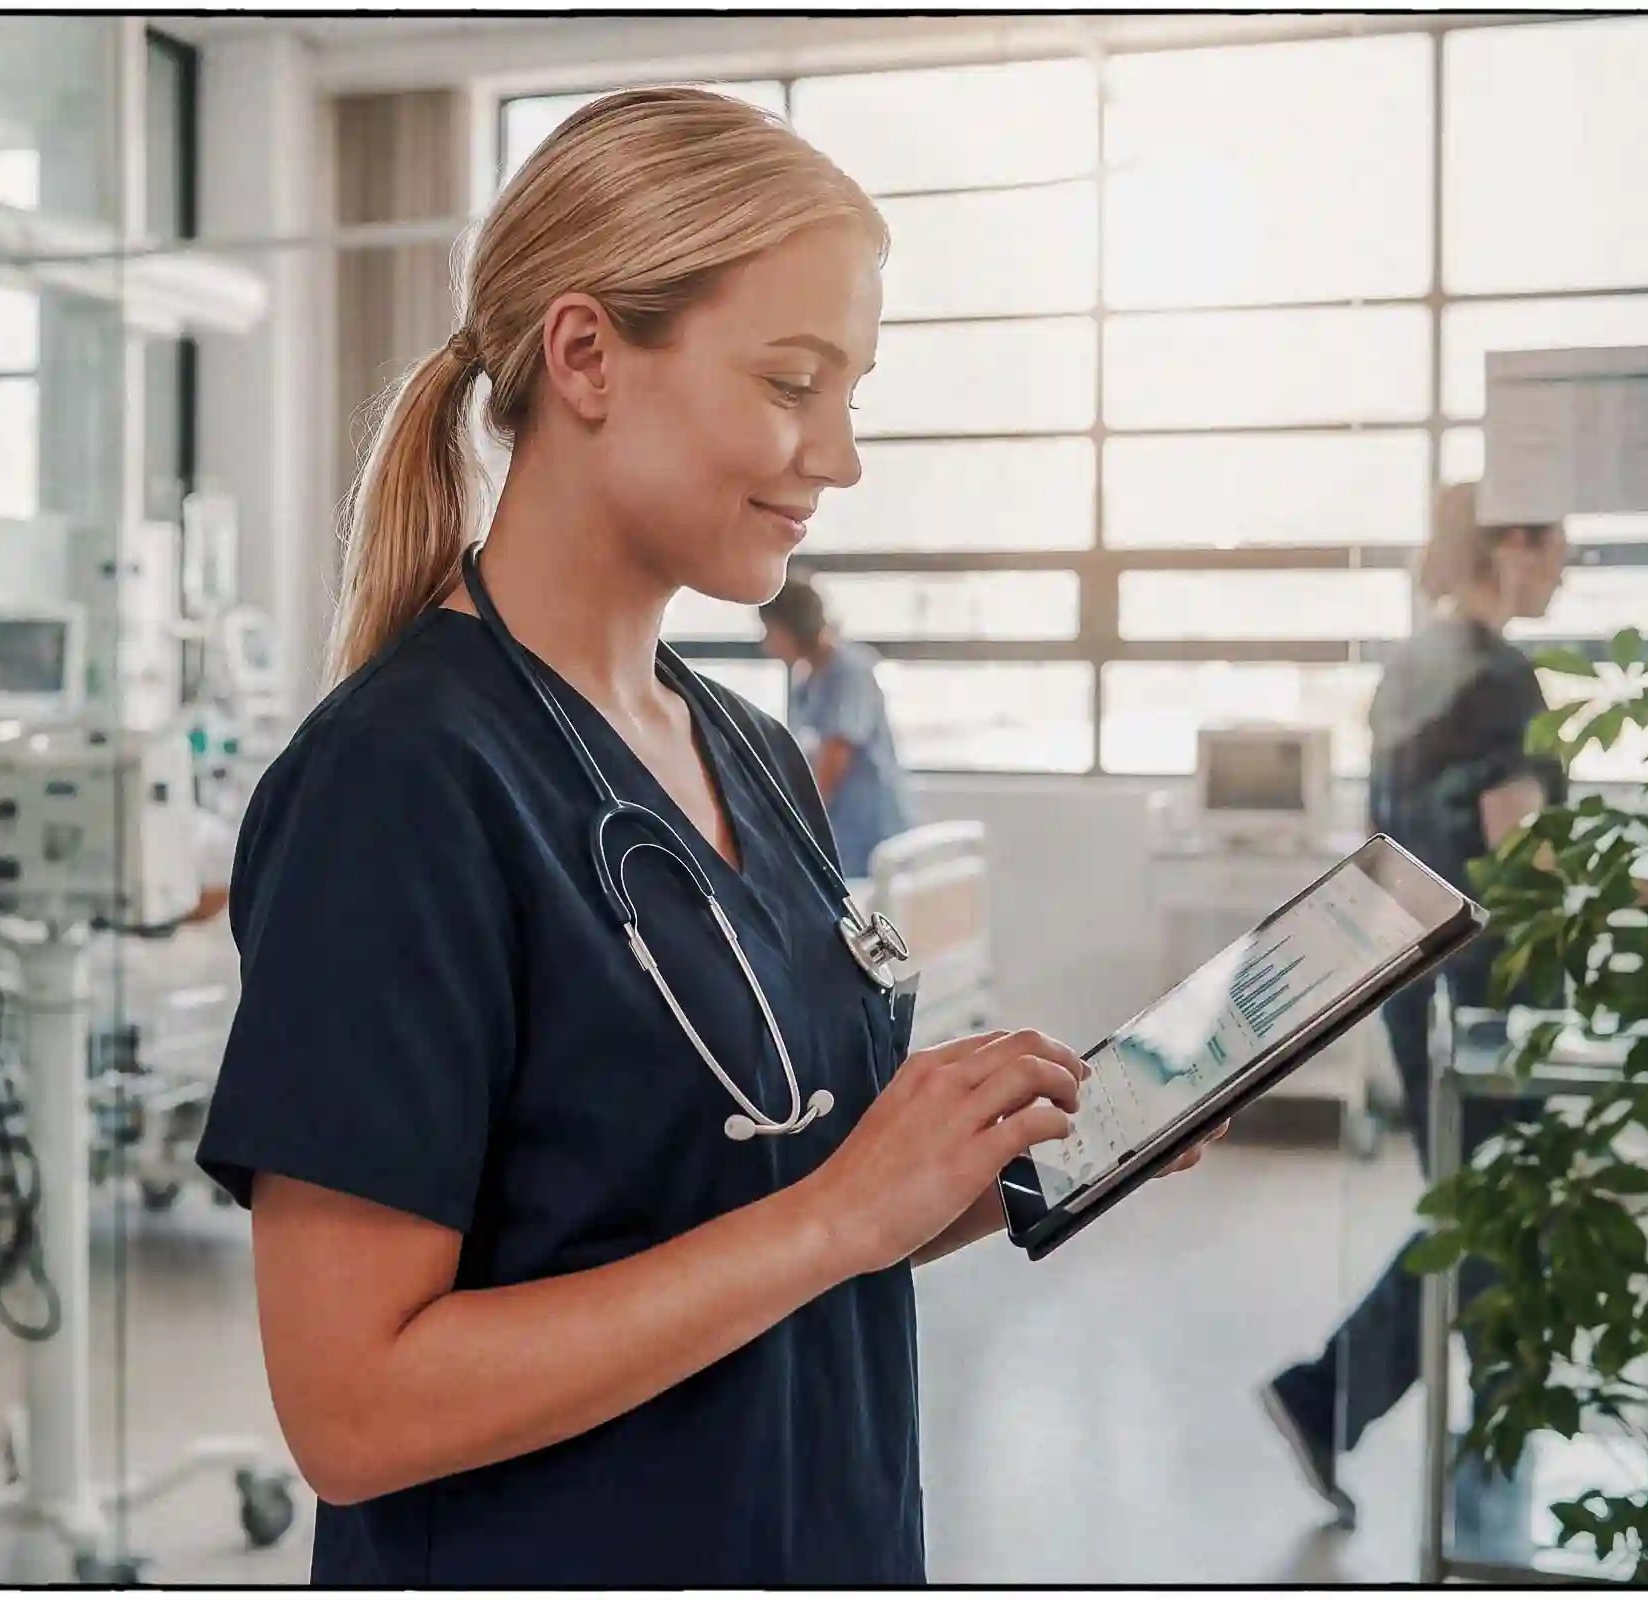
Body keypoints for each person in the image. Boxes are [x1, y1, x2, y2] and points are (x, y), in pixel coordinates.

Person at [193, 89, 1222, 1587]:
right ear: (589, 354)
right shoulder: (403, 787)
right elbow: (354, 1410)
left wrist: (1015, 1163)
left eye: (853, 391)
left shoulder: (742, 749)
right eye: (795, 382)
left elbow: (762, 1217)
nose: (841, 456)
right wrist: (831, 1218)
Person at [1259, 481, 1568, 1522]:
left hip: (1416, 976)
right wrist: (1643, 889)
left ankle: (1491, 1416)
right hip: (1491, 989)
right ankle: (1329, 1393)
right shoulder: (1500, 673)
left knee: (1484, 1207)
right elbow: (1521, 845)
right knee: (1491, 1208)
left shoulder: (1412, 663)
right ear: (1514, 547)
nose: (1568, 567)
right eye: (1561, 545)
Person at [759, 573, 914, 877]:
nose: (766, 644)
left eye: (770, 631)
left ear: (793, 627)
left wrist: (797, 825)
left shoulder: (849, 672)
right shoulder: (808, 682)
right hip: (844, 832)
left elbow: (835, 757)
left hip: (869, 831)